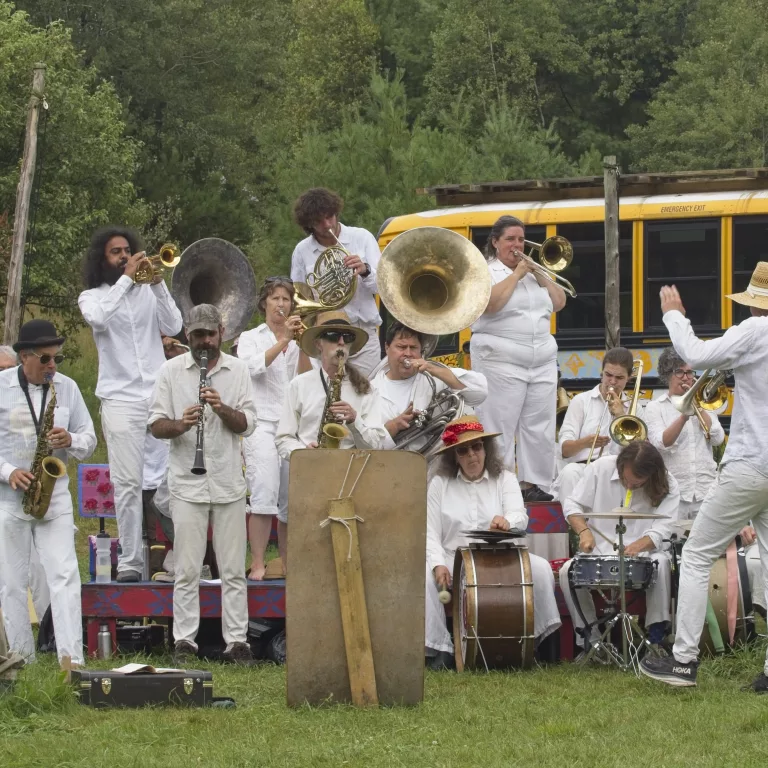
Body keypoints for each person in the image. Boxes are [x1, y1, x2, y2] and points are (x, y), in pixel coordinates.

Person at [641, 268, 768, 691]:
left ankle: (682, 662)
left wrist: (674, 315)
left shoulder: (756, 327)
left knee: (696, 555)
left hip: (750, 463)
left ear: (756, 300)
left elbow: (694, 353)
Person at [149, 304, 257, 664]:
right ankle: (185, 641)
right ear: (188, 336)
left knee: (231, 569)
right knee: (188, 569)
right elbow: (155, 424)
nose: (204, 341)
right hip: (186, 482)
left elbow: (247, 424)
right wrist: (181, 425)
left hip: (227, 482)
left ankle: (237, 641)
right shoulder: (170, 371)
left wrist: (221, 408)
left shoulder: (237, 369)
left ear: (221, 333)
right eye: (198, 335)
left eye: (210, 334)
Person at [79, 225, 183, 582]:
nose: (124, 256)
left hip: (156, 393)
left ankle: (180, 552)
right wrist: (125, 281)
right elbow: (98, 319)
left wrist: (157, 283)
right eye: (115, 252)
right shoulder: (92, 296)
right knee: (126, 482)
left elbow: (175, 323)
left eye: (127, 250)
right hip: (119, 397)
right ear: (103, 260)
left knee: (175, 472)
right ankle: (130, 561)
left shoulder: (147, 292)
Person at [425, 416, 562, 670]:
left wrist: (507, 521)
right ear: (454, 456)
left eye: (477, 447)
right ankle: (440, 651)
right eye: (463, 450)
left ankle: (543, 647)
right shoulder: (439, 483)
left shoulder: (505, 478)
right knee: (424, 577)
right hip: (452, 558)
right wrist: (436, 565)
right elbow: (430, 532)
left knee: (541, 569)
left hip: (500, 557)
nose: (472, 455)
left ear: (486, 450)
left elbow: (520, 516)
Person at [0, 320, 97, 668]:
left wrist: (72, 440)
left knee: (65, 576)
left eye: (57, 358)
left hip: (53, 498)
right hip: (10, 499)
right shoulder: (1, 386)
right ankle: (21, 661)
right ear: (24, 357)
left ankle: (72, 661)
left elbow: (90, 437)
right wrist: (8, 471)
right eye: (45, 359)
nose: (53, 365)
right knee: (11, 583)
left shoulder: (67, 388)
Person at [470, 216, 567, 502]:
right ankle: (498, 485)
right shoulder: (486, 271)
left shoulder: (534, 272)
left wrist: (539, 274)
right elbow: (490, 305)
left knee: (540, 426)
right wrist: (516, 275)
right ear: (495, 242)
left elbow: (560, 302)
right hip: (500, 360)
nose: (517, 245)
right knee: (499, 425)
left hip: (541, 362)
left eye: (521, 239)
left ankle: (532, 485)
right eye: (510, 239)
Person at [559, 442, 679, 657]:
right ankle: (591, 640)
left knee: (661, 563)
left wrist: (638, 546)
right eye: (626, 480)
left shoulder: (668, 482)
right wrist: (584, 531)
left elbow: (664, 527)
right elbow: (572, 504)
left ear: (652, 475)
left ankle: (656, 637)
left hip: (645, 551)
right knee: (567, 570)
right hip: (600, 549)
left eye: (638, 483)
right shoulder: (601, 468)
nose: (631, 487)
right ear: (621, 465)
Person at [238, 277, 303, 579]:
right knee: (263, 495)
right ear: (264, 303)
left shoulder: (299, 339)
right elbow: (252, 368)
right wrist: (284, 341)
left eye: (286, 299)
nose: (281, 304)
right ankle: (258, 562)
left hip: (291, 426)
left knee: (291, 501)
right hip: (261, 424)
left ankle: (290, 564)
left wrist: (304, 344)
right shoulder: (250, 337)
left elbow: (307, 379)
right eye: (275, 298)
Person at [290, 188, 382, 376]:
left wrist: (365, 270)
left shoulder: (361, 237)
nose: (327, 224)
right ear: (309, 224)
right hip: (326, 335)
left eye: (330, 216)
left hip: (363, 333)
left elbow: (382, 287)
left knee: (365, 393)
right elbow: (299, 297)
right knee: (328, 395)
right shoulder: (302, 251)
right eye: (318, 221)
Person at [371, 321, 487, 456]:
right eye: (401, 347)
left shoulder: (434, 377)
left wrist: (432, 369)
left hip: (434, 468)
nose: (408, 353)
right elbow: (365, 443)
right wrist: (394, 426)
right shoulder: (370, 389)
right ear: (387, 347)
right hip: (389, 468)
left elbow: (480, 391)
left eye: (413, 348)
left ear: (421, 351)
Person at [644, 348, 725, 521]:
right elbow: (660, 443)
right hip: (673, 492)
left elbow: (718, 439)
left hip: (705, 490)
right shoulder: (655, 407)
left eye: (689, 372)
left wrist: (698, 406)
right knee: (670, 543)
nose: (686, 377)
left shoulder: (704, 404)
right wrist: (683, 417)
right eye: (679, 372)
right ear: (667, 375)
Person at [0, 347, 50, 623]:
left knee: (39, 565)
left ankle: (46, 628)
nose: (5, 376)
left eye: (9, 369)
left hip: (24, 499)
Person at [554, 347, 634, 506]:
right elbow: (564, 450)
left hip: (617, 473)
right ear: (602, 372)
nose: (612, 382)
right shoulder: (581, 401)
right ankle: (573, 527)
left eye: (619, 377)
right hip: (583, 469)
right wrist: (585, 442)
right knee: (569, 473)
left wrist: (621, 417)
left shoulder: (634, 407)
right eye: (608, 375)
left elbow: (640, 453)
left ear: (629, 378)